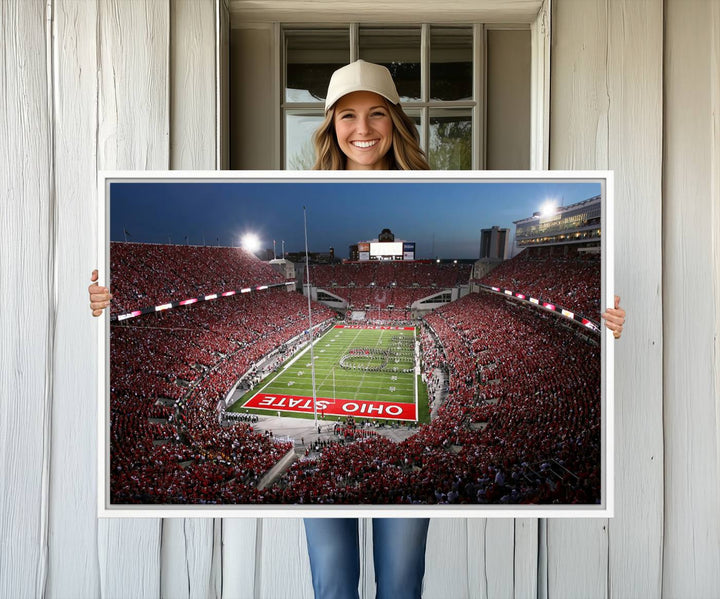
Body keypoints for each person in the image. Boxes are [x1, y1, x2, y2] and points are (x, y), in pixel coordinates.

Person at [88, 60, 626, 599]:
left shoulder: (439, 181)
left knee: (400, 581)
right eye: (347, 115)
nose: (362, 129)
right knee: (333, 581)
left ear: (396, 121)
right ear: (329, 125)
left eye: (376, 115)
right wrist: (105, 302)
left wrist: (608, 318)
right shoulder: (300, 183)